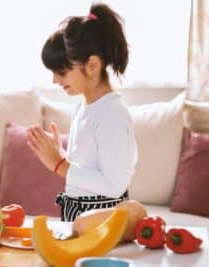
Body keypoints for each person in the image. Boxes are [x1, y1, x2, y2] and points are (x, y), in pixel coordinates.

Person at [27, 3, 138, 222]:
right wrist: (61, 155)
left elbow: (114, 185)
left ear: (93, 65)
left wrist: (61, 166)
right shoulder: (83, 106)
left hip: (103, 220)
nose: (55, 80)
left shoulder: (112, 114)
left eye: (62, 72)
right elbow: (89, 169)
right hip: (79, 214)